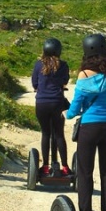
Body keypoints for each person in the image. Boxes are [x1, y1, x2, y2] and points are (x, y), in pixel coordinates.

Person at [65, 33, 106, 211]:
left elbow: (75, 107)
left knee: (85, 173)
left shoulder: (85, 75)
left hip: (89, 128)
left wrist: (69, 114)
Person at [31, 37, 71, 176]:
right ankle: (65, 167)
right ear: (59, 51)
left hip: (41, 103)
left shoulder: (38, 65)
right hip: (57, 103)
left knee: (45, 133)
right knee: (59, 134)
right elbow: (65, 82)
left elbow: (35, 84)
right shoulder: (63, 65)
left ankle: (46, 166)